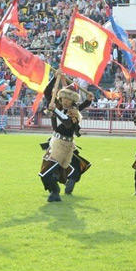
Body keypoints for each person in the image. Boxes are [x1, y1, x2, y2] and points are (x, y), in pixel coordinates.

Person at [39, 71, 87, 202]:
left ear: (72, 100)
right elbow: (47, 92)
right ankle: (55, 191)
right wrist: (54, 79)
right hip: (54, 142)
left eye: (68, 99)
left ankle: (57, 189)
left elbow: (67, 123)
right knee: (44, 173)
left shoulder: (74, 112)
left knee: (48, 172)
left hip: (64, 146)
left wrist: (54, 110)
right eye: (63, 98)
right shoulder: (59, 106)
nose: (65, 101)